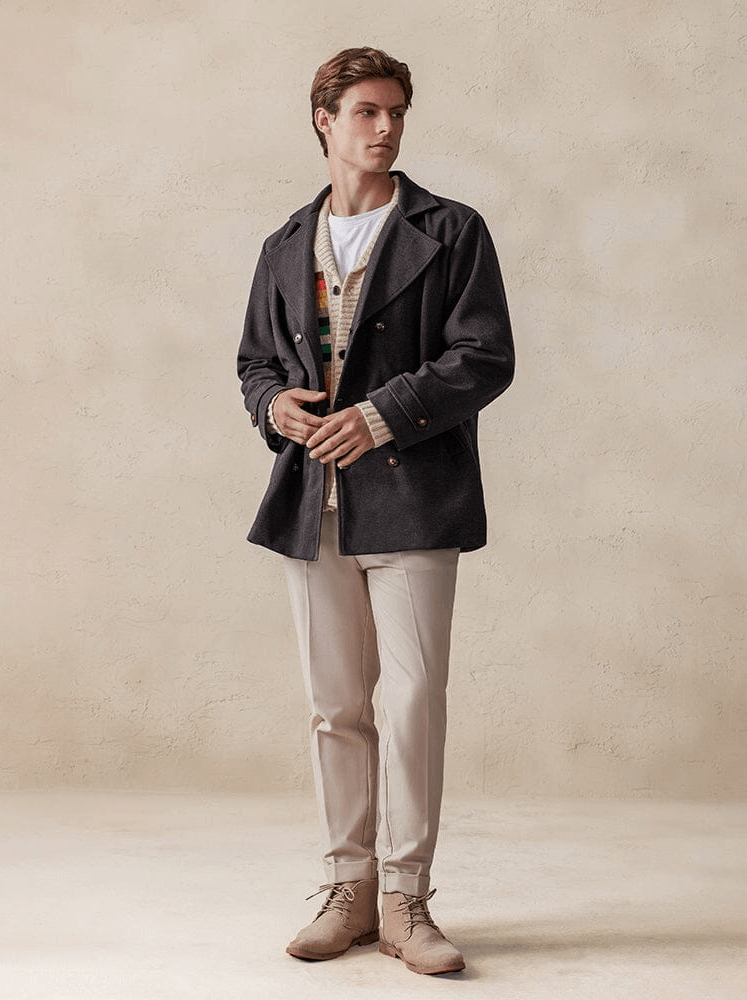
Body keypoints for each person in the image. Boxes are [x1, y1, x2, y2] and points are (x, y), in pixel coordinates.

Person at [237, 47, 514, 976]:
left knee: (413, 702)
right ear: (325, 118)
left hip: (415, 497)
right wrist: (272, 406)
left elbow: (485, 357)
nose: (387, 128)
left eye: (396, 111)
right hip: (311, 498)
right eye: (367, 111)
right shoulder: (285, 243)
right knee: (334, 707)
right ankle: (347, 889)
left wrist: (383, 413)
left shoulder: (451, 229)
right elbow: (255, 362)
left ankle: (406, 899)